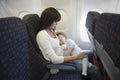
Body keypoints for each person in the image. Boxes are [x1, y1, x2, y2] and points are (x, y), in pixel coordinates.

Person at [36, 7, 103, 80]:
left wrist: (68, 47)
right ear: (48, 20)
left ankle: (86, 72)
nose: (57, 23)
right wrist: (76, 57)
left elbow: (58, 47)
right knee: (94, 70)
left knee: (90, 53)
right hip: (62, 61)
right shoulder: (42, 35)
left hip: (66, 54)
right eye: (55, 21)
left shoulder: (51, 30)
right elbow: (54, 59)